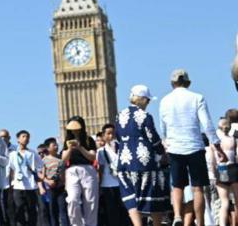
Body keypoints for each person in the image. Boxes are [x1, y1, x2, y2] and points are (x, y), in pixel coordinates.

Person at [159, 69, 227, 226]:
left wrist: (167, 142)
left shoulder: (164, 101)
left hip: (175, 148)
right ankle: (201, 222)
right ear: (188, 82)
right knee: (198, 189)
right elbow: (208, 125)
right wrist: (217, 147)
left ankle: (177, 216)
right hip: (195, 147)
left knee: (177, 186)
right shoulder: (197, 98)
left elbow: (163, 127)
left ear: (172, 83)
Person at [115, 85, 169, 226]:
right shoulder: (145, 116)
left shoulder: (119, 115)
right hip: (144, 162)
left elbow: (117, 138)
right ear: (143, 100)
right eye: (148, 100)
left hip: (124, 162)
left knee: (130, 198)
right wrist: (162, 153)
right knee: (152, 195)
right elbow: (153, 139)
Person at [61, 116, 98, 226]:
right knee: (72, 199)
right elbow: (63, 159)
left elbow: (92, 157)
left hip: (88, 170)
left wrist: (80, 147)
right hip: (72, 171)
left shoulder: (88, 139)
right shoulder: (67, 141)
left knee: (90, 201)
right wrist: (70, 149)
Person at [8, 130, 43, 226]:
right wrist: (10, 184)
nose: (26, 138)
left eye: (27, 137)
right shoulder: (12, 154)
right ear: (18, 139)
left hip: (31, 186)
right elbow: (11, 170)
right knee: (19, 208)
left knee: (32, 210)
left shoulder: (32, 153)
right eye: (23, 136)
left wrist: (41, 179)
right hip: (18, 186)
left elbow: (41, 166)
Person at [96, 124, 129, 226]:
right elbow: (100, 170)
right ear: (104, 135)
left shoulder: (122, 148)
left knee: (124, 210)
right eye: (108, 133)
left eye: (113, 133)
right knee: (112, 212)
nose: (111, 136)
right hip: (107, 185)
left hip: (122, 183)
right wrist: (99, 186)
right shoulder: (101, 151)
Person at [214, 118, 237, 226]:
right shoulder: (233, 139)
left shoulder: (215, 140)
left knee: (224, 202)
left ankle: (222, 224)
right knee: (237, 200)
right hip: (232, 168)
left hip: (221, 168)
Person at [42, 138, 69, 226]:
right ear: (48, 148)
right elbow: (42, 175)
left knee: (63, 209)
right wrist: (48, 181)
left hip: (61, 188)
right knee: (53, 210)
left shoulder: (61, 158)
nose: (56, 146)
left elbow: (65, 172)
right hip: (51, 188)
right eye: (54, 145)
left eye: (56, 144)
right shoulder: (44, 160)